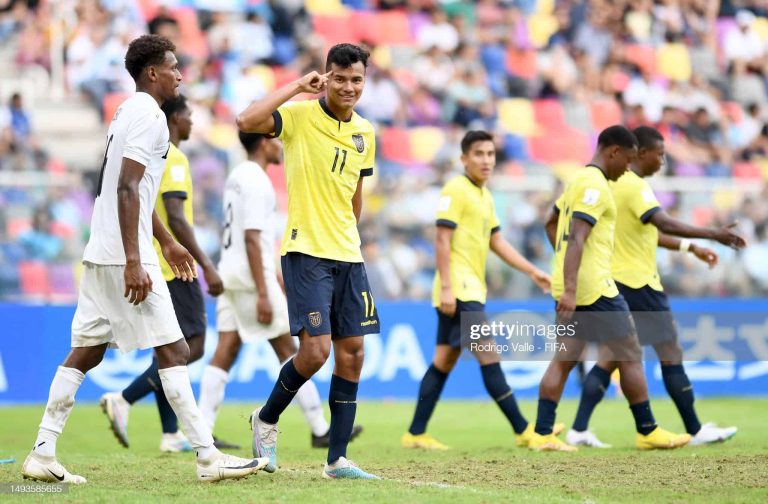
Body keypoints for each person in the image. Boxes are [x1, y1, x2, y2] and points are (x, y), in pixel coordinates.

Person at [21, 35, 267, 484]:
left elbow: (133, 184)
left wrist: (169, 242)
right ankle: (209, 457)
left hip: (102, 249)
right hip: (123, 255)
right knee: (175, 350)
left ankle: (42, 450)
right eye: (173, 67)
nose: (179, 74)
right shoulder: (152, 116)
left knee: (87, 350)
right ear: (152, 72)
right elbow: (126, 187)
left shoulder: (127, 111)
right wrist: (136, 259)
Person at [235, 43, 378, 479]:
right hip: (306, 251)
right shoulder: (299, 116)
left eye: (356, 79)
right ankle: (267, 419)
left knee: (352, 353)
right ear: (326, 77)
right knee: (315, 352)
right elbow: (246, 120)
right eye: (340, 77)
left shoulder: (366, 133)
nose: (348, 86)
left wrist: (350, 237)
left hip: (347, 255)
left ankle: (336, 460)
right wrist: (297, 85)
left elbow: (355, 195)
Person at [565, 126, 743, 448]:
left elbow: (647, 232)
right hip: (639, 282)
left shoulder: (612, 184)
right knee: (669, 351)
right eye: (659, 154)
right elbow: (662, 222)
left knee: (610, 357)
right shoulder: (634, 186)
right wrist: (711, 233)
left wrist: (690, 249)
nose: (662, 161)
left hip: (613, 281)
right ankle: (693, 428)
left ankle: (579, 428)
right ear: (641, 153)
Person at [197, 131, 362, 449]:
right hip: (249, 277)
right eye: (275, 139)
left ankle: (202, 431)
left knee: (225, 351)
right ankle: (319, 429)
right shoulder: (258, 181)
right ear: (263, 143)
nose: (280, 145)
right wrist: (263, 289)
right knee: (296, 351)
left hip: (230, 269)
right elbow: (252, 237)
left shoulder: (237, 175)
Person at [530, 125, 690, 452]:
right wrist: (574, 287)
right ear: (613, 152)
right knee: (629, 352)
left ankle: (543, 432)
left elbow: (550, 221)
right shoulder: (596, 186)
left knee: (565, 356)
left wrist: (564, 273)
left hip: (571, 283)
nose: (628, 169)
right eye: (627, 160)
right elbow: (577, 237)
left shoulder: (576, 180)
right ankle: (647, 429)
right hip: (593, 287)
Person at [400, 130, 554, 450]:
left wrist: (533, 271)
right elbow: (441, 239)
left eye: (491, 154)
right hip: (459, 289)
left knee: (443, 361)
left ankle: (415, 433)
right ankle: (525, 430)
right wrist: (446, 287)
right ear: (464, 159)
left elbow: (496, 241)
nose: (486, 160)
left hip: (469, 287)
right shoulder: (455, 189)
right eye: (479, 154)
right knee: (489, 355)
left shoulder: (484, 195)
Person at [99, 94, 226, 453]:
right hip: (171, 267)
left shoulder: (151, 154)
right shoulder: (174, 156)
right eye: (188, 114)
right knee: (192, 345)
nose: (192, 122)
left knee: (167, 348)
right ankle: (124, 398)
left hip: (152, 260)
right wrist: (207, 266)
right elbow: (177, 218)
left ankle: (171, 434)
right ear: (173, 119)